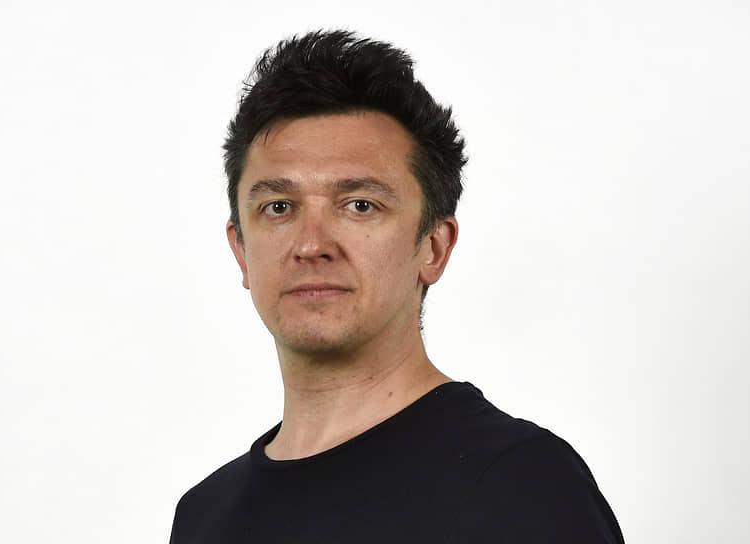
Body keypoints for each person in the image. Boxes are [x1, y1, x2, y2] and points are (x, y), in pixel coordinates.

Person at [170, 30, 624, 543]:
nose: (311, 245)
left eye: (360, 205)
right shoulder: (204, 516)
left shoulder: (521, 485)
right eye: (278, 207)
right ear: (241, 250)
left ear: (433, 246)